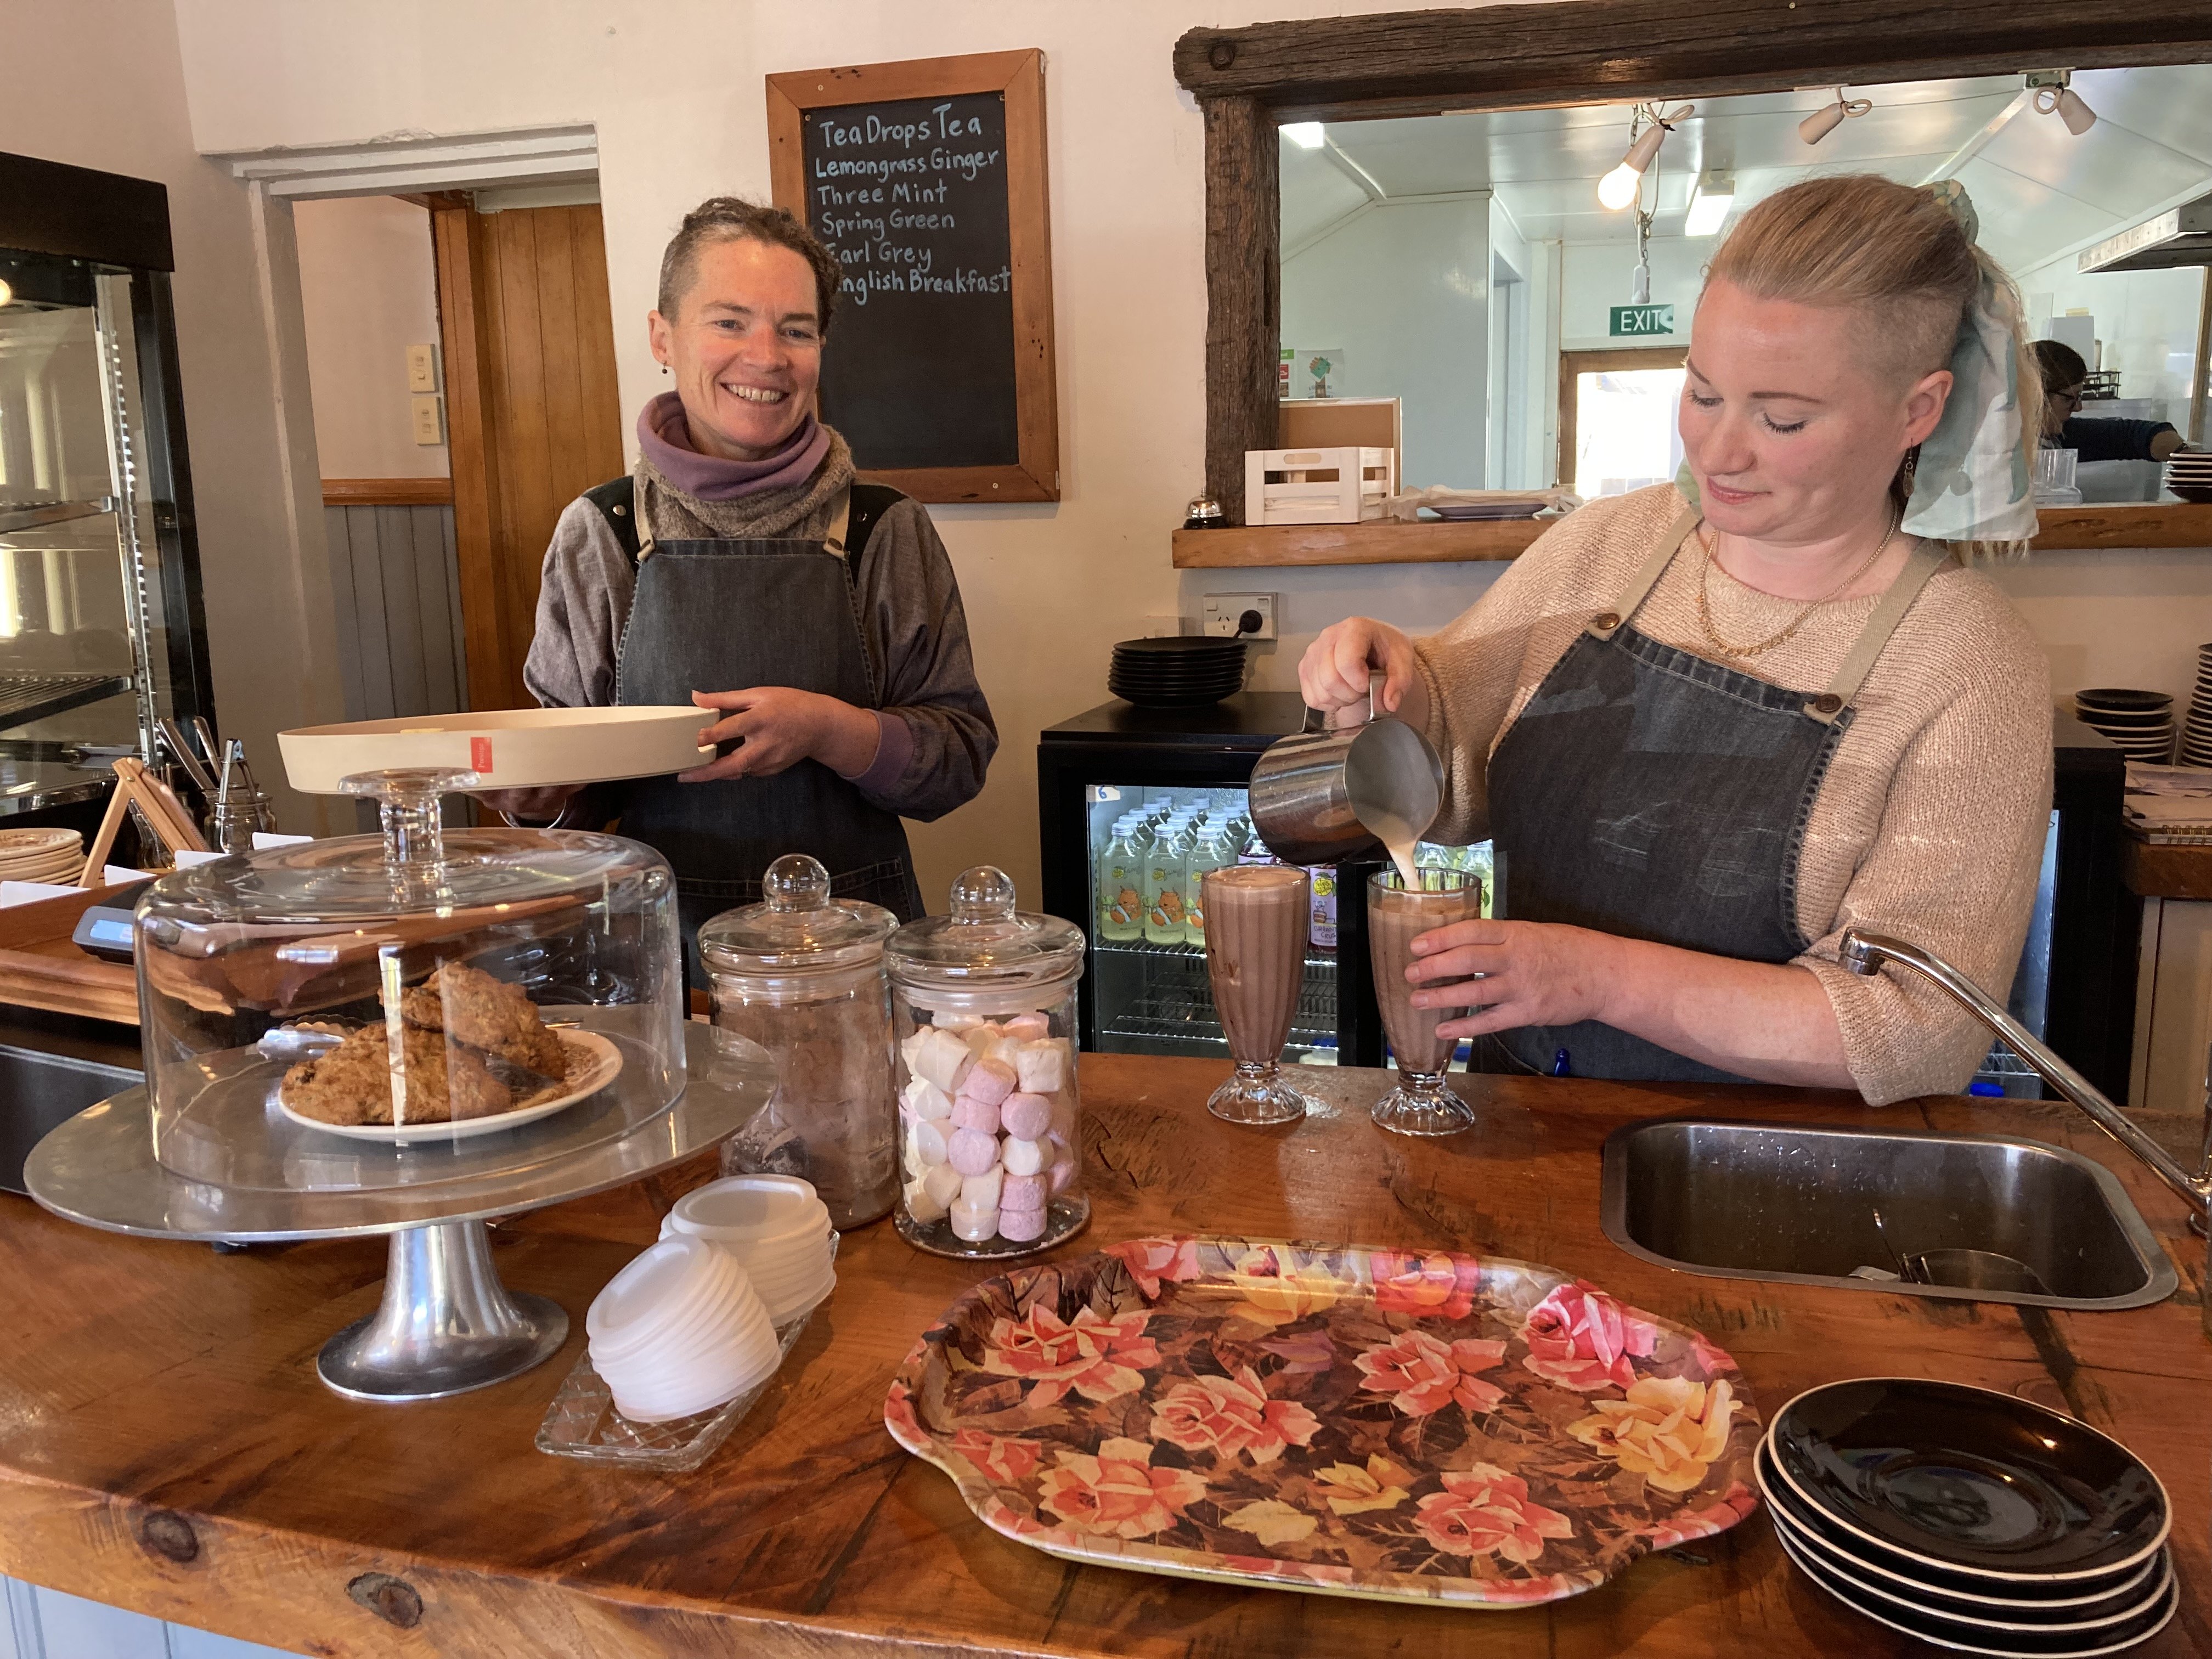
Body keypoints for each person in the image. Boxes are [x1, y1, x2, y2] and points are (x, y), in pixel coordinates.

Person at [1301, 175, 2053, 1105]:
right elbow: (1452, 764)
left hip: (1769, 1177)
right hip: (1528, 1119)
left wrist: (1597, 977)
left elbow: (1920, 1030)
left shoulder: (1966, 661)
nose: (1718, 451)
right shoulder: (1609, 545)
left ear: (1918, 409)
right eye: (1701, 393)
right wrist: (1394, 685)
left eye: (1782, 418)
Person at [503, 198, 996, 966]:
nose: (766, 356)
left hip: (849, 957)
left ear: (821, 348)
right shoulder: (599, 532)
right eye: (729, 322)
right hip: (659, 964)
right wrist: (541, 800)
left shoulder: (882, 528)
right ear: (662, 336)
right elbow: (578, 792)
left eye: (795, 330)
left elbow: (958, 762)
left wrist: (827, 729)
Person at [2031, 339, 2187, 464]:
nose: (2078, 407)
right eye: (2069, 399)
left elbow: (2130, 435)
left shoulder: (2060, 434)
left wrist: (2184, 454)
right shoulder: (2011, 453)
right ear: (2037, 396)